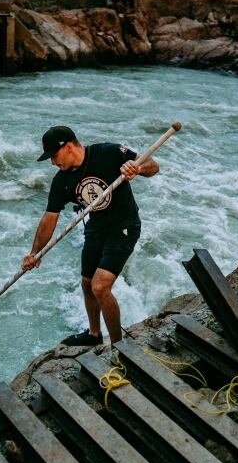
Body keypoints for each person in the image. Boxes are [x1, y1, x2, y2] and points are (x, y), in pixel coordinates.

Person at [22, 126, 159, 346]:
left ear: (68, 146)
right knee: (87, 284)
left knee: (100, 287)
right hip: (96, 229)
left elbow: (153, 165)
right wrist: (35, 253)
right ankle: (94, 335)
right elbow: (49, 219)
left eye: (54, 156)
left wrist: (137, 169)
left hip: (124, 227)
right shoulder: (61, 182)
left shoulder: (108, 152)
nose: (52, 162)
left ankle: (118, 347)